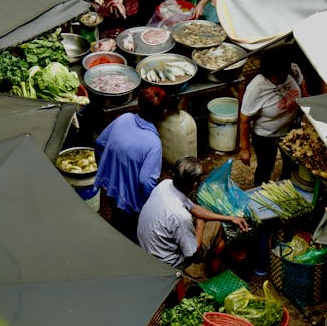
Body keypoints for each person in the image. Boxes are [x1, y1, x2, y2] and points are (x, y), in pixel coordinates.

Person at [137, 156, 250, 274]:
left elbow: (194, 208)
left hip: (147, 247)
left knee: (215, 232)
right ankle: (217, 263)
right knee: (217, 226)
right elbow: (193, 251)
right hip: (167, 262)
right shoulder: (180, 216)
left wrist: (230, 218)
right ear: (195, 184)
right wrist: (200, 224)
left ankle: (219, 251)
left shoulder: (165, 185)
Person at [94, 86, 168, 243]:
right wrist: (153, 204)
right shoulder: (153, 143)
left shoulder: (123, 118)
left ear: (138, 105)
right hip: (132, 203)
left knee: (117, 223)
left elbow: (100, 143)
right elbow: (145, 180)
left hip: (111, 189)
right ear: (163, 113)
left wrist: (107, 171)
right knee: (132, 236)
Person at [238, 46, 309, 187]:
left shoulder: (292, 70)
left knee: (292, 163)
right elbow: (244, 121)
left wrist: (306, 103)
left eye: (284, 73)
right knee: (265, 166)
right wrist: (244, 149)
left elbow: (302, 83)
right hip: (265, 136)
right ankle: (260, 190)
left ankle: (286, 186)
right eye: (278, 76)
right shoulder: (256, 88)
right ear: (267, 73)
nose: (283, 78)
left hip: (290, 131)